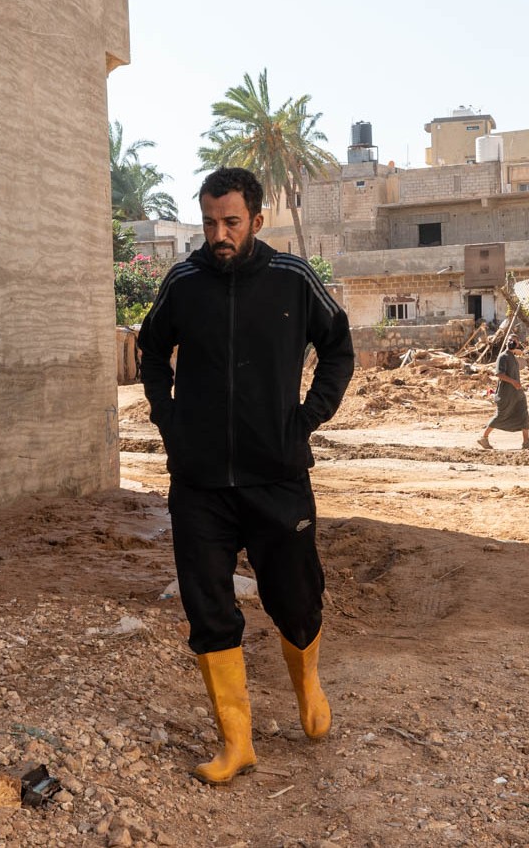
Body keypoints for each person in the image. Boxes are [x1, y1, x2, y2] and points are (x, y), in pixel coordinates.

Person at [137, 167, 355, 785]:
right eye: (209, 223)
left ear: (257, 221)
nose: (218, 235)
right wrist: (169, 422)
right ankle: (237, 744)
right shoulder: (183, 282)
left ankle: (307, 681)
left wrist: (307, 418)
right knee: (208, 607)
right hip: (199, 482)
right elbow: (151, 351)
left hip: (277, 477)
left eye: (230, 222)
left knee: (297, 599)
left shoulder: (293, 279)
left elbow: (338, 347)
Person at [479, 338, 529, 450]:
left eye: (515, 340)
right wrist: (513, 382)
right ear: (506, 342)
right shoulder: (503, 357)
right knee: (501, 415)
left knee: (523, 413)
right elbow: (499, 374)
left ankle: (526, 442)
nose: (513, 342)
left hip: (517, 393)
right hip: (506, 393)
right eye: (511, 340)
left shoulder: (513, 357)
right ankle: (484, 437)